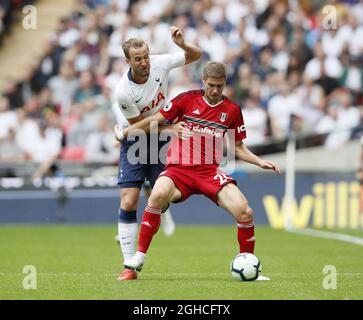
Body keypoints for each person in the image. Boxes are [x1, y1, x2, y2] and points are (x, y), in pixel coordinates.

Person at [115, 61, 281, 280]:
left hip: (209, 172)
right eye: (211, 85)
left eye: (219, 86)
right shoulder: (186, 100)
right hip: (179, 171)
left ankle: (249, 264)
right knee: (157, 194)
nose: (214, 90)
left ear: (225, 84)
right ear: (203, 80)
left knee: (245, 211)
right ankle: (139, 256)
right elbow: (154, 121)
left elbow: (238, 148)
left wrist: (259, 162)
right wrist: (127, 132)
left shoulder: (232, 110)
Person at [113, 26, 202, 281]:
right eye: (138, 59)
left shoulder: (161, 64)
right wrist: (171, 127)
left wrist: (183, 44)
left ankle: (157, 204)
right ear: (128, 61)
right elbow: (139, 127)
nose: (144, 63)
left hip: (160, 137)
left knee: (167, 198)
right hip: (138, 139)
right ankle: (129, 266)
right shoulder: (124, 92)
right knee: (129, 200)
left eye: (146, 56)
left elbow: (196, 55)